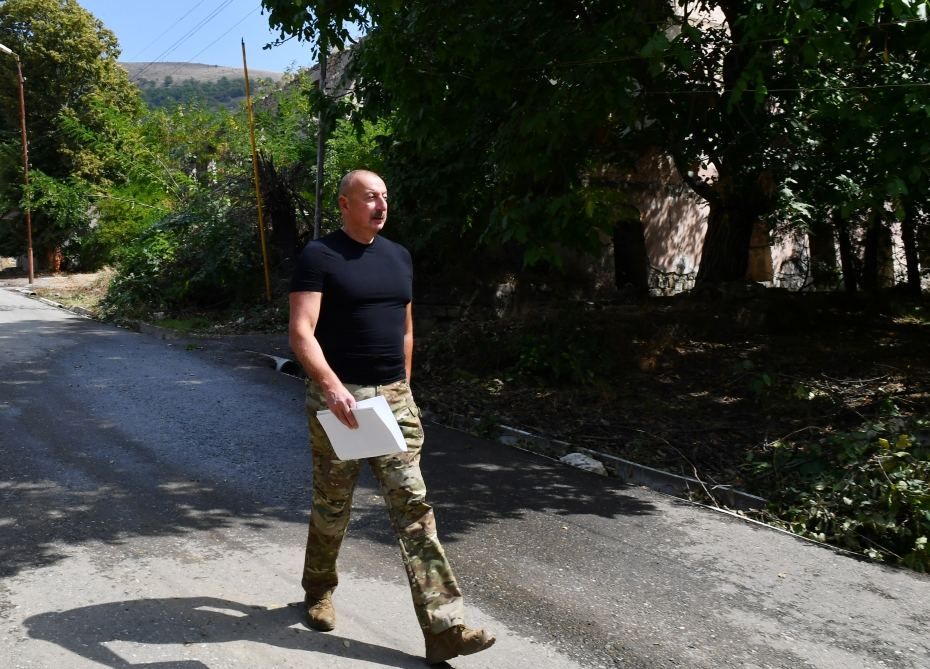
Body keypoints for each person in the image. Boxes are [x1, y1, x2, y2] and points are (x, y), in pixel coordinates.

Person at [288, 169, 495, 664]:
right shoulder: (320, 256)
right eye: (369, 198)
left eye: (384, 197)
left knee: (414, 511)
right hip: (341, 401)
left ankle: (444, 628)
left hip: (392, 401)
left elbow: (405, 329)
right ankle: (318, 589)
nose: (380, 205)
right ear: (344, 204)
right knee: (333, 506)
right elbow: (301, 332)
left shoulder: (399, 256)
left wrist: (404, 386)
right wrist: (334, 388)